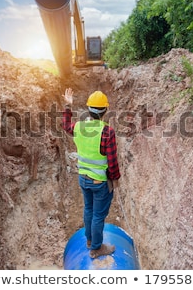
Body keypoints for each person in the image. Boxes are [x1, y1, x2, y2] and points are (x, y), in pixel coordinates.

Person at [62, 88, 120, 259]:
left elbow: (66, 126)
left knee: (88, 209)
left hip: (83, 178)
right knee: (98, 215)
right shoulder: (107, 132)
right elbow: (112, 161)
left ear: (88, 109)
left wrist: (67, 105)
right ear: (105, 110)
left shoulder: (80, 127)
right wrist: (115, 178)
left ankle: (88, 241)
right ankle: (96, 248)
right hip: (99, 182)